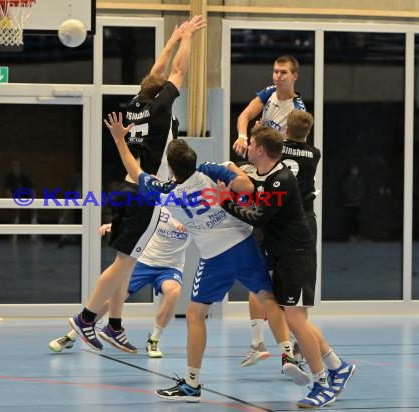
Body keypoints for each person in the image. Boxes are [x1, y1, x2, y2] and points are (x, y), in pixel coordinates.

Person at [104, 112, 303, 402]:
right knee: (267, 297)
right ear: (194, 160)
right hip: (243, 242)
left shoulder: (169, 192)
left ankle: (192, 383)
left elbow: (135, 172)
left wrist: (120, 140)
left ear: (171, 168)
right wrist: (231, 180)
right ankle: (287, 355)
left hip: (214, 257)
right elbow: (247, 186)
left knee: (196, 314)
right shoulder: (213, 169)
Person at [67, 16, 207, 354]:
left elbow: (157, 74)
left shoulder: (136, 105)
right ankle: (86, 319)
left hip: (126, 187)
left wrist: (171, 41)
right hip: (145, 192)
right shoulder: (158, 109)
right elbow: (178, 72)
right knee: (123, 264)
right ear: (161, 95)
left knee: (124, 261)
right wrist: (187, 38)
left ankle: (114, 325)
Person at [218, 126, 356, 408]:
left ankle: (321, 383)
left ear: (260, 150)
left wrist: (227, 202)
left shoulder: (281, 180)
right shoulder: (269, 177)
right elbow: (253, 191)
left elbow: (258, 217)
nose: (247, 148)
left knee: (294, 320)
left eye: (251, 144)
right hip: (281, 255)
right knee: (295, 319)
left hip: (296, 255)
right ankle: (337, 366)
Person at [50, 207, 191, 358]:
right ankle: (72, 335)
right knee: (113, 300)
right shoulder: (160, 208)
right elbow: (138, 222)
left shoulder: (196, 214)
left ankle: (154, 339)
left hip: (171, 267)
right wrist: (112, 226)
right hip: (143, 262)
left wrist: (190, 226)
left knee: (174, 292)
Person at [240, 110, 321, 369]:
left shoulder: (276, 150)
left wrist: (259, 132)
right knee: (296, 299)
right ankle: (297, 348)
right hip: (300, 217)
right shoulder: (314, 154)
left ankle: (258, 342)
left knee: (260, 282)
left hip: (273, 218)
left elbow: (263, 153)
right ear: (307, 132)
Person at [233, 55, 305, 157]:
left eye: (283, 72)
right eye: (276, 71)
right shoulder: (270, 91)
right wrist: (242, 137)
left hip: (280, 160)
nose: (278, 76)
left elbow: (296, 148)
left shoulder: (298, 110)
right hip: (262, 155)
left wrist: (262, 133)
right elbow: (244, 115)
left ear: (294, 76)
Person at [342, 164, 365, 241]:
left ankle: (357, 235)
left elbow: (361, 191)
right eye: (353, 170)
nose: (355, 171)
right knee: (349, 220)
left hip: (357, 203)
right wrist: (352, 198)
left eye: (356, 170)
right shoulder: (347, 180)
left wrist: (357, 198)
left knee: (357, 220)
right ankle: (350, 236)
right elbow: (345, 191)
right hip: (349, 204)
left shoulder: (360, 180)